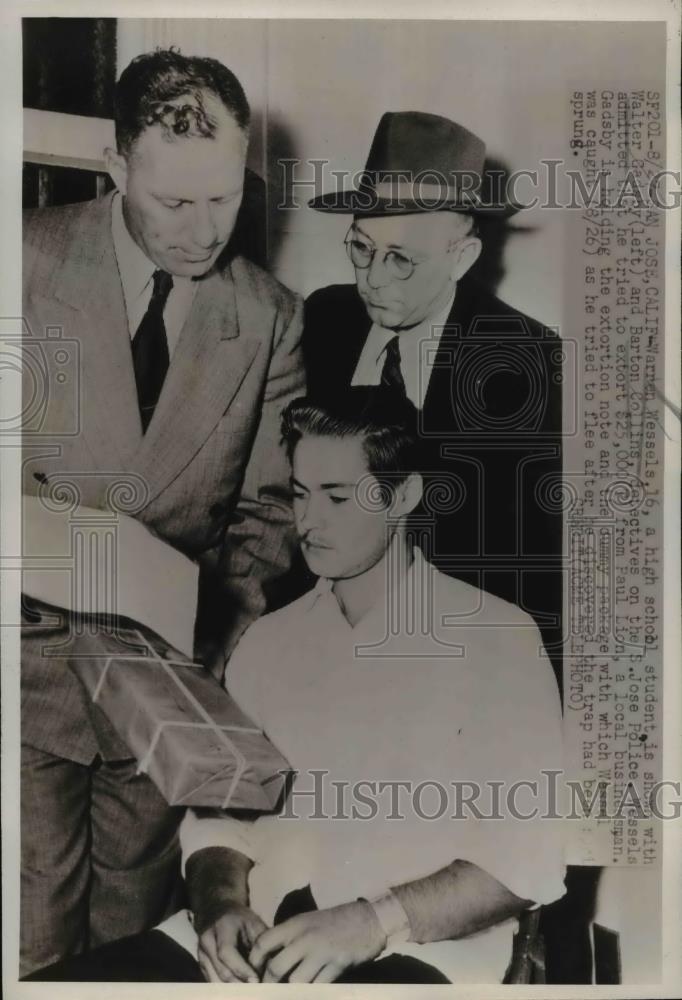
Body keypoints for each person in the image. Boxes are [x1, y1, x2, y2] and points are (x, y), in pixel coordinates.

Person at [27, 388, 566, 984]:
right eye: (302, 494)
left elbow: (527, 854)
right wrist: (220, 904)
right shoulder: (266, 642)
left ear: (405, 495)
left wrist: (372, 921)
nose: (308, 520)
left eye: (337, 497)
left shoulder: (498, 637)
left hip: (415, 950)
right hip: (257, 942)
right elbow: (221, 817)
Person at [20, 48, 304, 975]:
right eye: (173, 203)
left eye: (223, 198)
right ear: (116, 170)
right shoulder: (20, 264)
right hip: (23, 677)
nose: (203, 230)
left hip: (165, 699)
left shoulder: (268, 318)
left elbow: (267, 511)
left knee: (135, 949)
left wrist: (213, 640)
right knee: (30, 937)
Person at [303, 111, 562, 675]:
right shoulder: (323, 321)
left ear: (462, 258)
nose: (372, 278)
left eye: (401, 259)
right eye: (361, 248)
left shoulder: (531, 363)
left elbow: (545, 574)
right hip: (332, 643)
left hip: (467, 664)